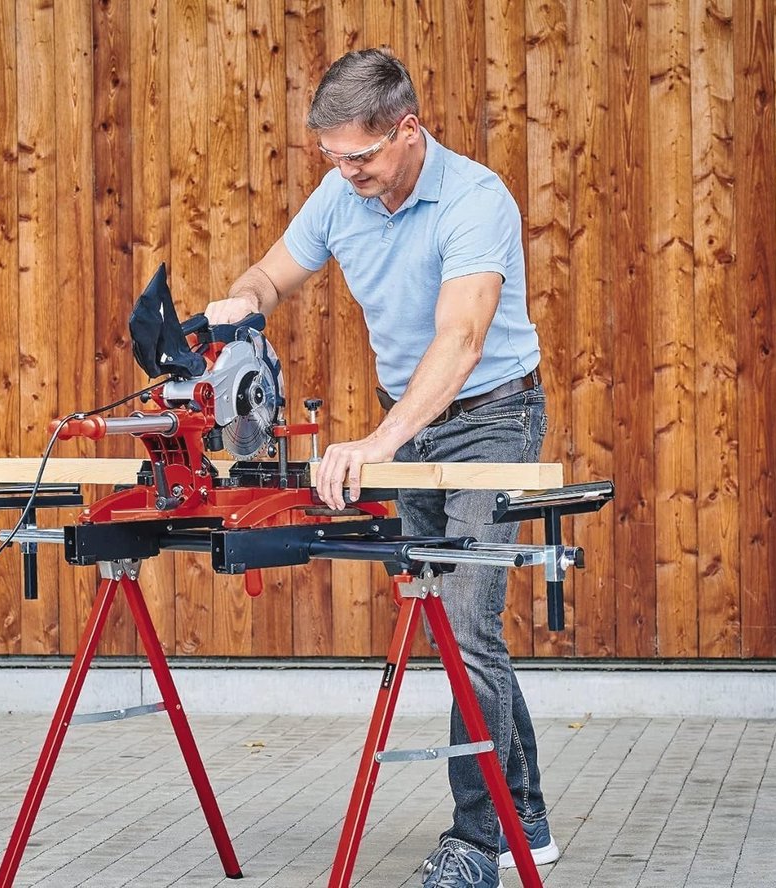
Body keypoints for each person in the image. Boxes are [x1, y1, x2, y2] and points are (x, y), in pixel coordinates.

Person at [204, 48, 558, 887]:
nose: (347, 173)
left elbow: (462, 340)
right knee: (460, 627)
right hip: (415, 424)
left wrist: (378, 442)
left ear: (408, 130)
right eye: (332, 158)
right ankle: (525, 814)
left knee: (467, 624)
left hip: (492, 417)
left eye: (360, 156)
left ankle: (478, 841)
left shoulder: (476, 199)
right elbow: (271, 274)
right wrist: (242, 304)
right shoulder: (340, 194)